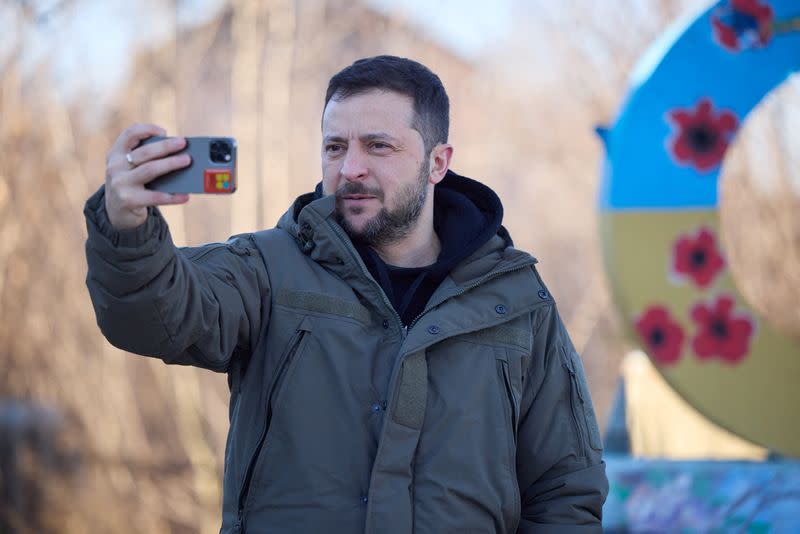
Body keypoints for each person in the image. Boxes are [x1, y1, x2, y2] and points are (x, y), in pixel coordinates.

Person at [84, 55, 607, 533]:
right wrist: (126, 227)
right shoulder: (266, 269)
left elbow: (566, 491)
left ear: (437, 162)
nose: (350, 168)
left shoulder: (517, 301)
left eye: (378, 146)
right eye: (335, 147)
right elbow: (155, 315)